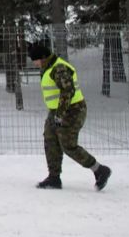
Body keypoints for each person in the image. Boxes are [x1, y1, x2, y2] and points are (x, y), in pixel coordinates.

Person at [28, 42, 111, 191]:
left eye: (35, 60)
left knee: (68, 145)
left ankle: (99, 170)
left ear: (42, 57)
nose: (34, 63)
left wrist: (59, 115)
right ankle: (54, 178)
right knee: (50, 140)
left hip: (73, 110)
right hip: (56, 111)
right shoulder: (48, 67)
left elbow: (68, 92)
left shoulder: (58, 68)